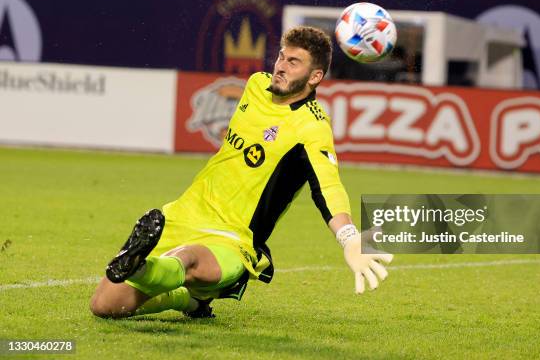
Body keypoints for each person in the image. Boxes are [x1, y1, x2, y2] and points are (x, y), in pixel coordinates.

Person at [89, 26, 393, 319]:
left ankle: (139, 266)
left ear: (315, 76)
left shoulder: (312, 128)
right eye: (281, 57)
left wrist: (350, 238)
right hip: (185, 212)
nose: (281, 67)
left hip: (232, 237)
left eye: (294, 62)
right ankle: (192, 301)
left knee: (188, 260)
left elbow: (327, 188)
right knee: (104, 305)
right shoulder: (256, 86)